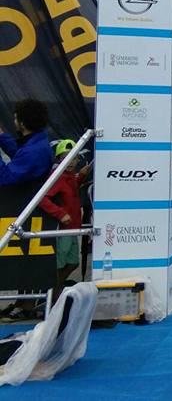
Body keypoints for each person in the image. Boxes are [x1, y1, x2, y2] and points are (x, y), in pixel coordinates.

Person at [0, 99, 54, 321]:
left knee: (28, 263)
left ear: (22, 121)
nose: (13, 121)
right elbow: (20, 156)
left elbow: (8, 176)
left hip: (26, 214)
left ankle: (26, 305)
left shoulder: (37, 150)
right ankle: (22, 303)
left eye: (15, 117)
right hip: (23, 212)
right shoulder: (35, 144)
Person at [38, 140, 89, 302]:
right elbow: (42, 199)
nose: (70, 161)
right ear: (59, 159)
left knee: (73, 263)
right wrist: (60, 214)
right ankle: (51, 296)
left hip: (73, 229)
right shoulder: (58, 176)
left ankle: (54, 292)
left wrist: (81, 176)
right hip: (63, 230)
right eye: (65, 157)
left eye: (73, 157)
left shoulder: (69, 177)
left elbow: (71, 190)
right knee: (60, 265)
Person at [0, 99, 53, 186]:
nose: (14, 122)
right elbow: (19, 153)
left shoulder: (34, 152)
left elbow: (4, 176)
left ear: (22, 124)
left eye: (16, 119)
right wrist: (1, 135)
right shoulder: (38, 142)